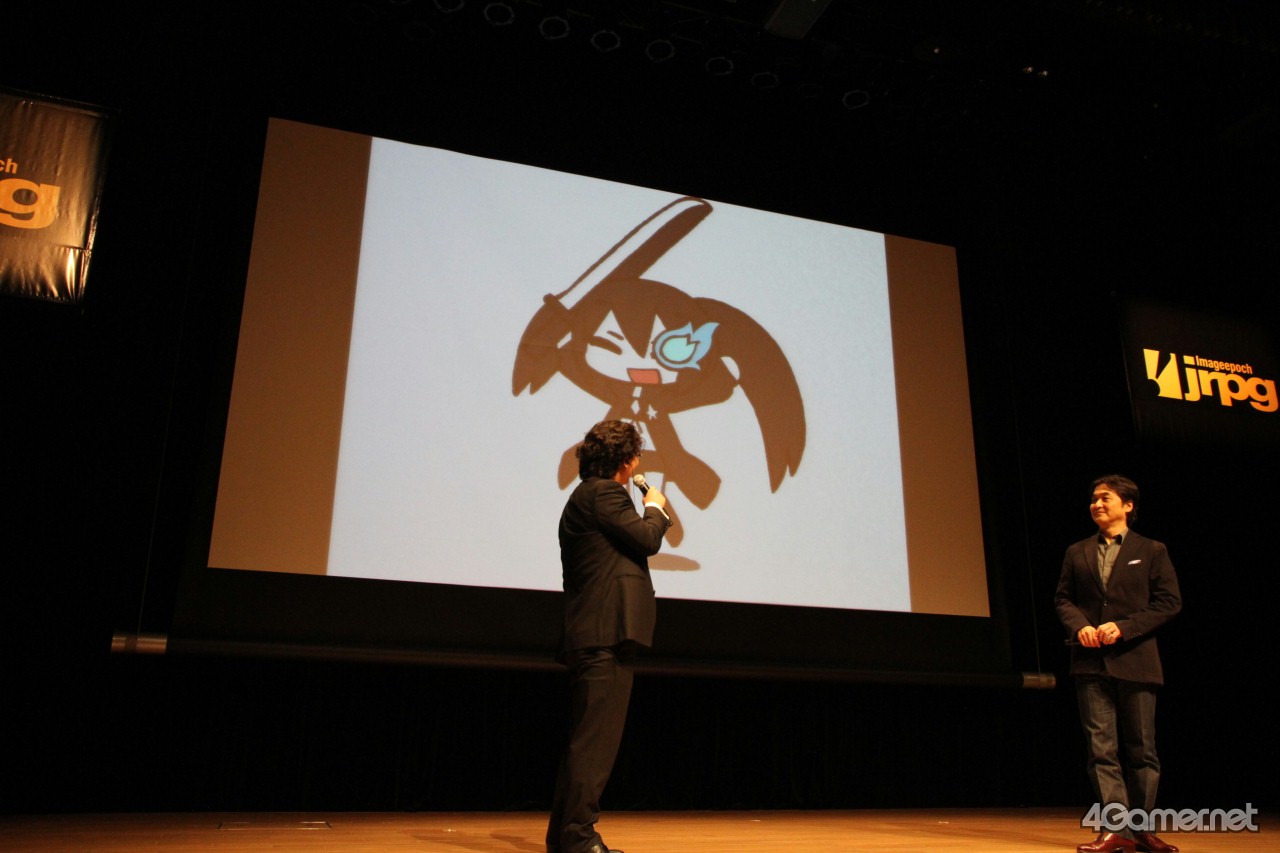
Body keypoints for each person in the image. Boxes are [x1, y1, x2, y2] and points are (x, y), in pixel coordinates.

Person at [546, 420, 672, 853]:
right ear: (626, 462)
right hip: (603, 635)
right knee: (594, 747)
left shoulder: (588, 496)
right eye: (635, 456)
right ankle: (579, 837)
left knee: (587, 744)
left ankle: (566, 837)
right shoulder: (604, 494)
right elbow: (647, 538)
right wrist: (655, 506)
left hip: (596, 635)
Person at [1055, 475, 1182, 853]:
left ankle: (1140, 829)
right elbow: (1063, 600)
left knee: (1142, 750)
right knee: (1101, 750)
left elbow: (1168, 602)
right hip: (1090, 663)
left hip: (1136, 661)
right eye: (1093, 498)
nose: (1096, 504)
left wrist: (1124, 628)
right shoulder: (1077, 551)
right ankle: (1117, 830)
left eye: (1105, 498)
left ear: (1128, 505)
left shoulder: (1152, 549)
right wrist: (1080, 627)